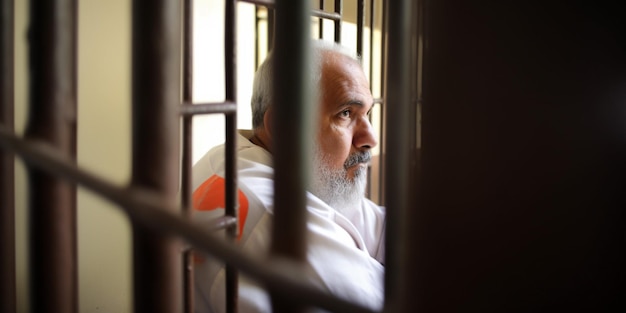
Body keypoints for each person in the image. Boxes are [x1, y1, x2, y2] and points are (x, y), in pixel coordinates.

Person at [191, 40, 385, 312]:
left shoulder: (236, 155)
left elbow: (379, 227)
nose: (370, 139)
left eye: (367, 114)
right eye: (346, 113)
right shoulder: (275, 218)